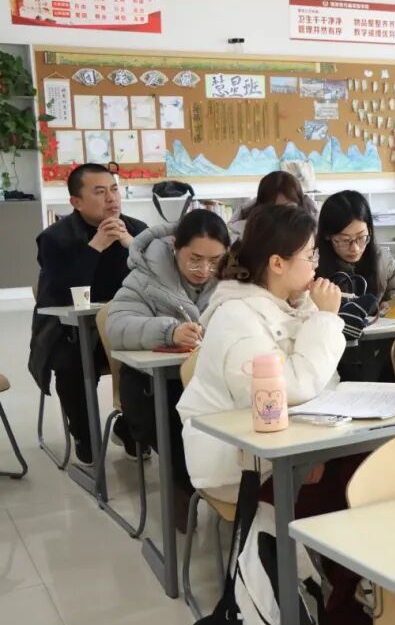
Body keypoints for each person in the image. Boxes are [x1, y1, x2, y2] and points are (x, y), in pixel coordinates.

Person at [177, 204, 344, 501]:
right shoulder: (236, 318)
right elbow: (290, 391)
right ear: (277, 263)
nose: (316, 265)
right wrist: (327, 320)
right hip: (241, 464)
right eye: (310, 256)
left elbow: (322, 385)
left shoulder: (295, 304)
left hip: (290, 442)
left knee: (373, 461)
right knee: (361, 478)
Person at [106, 209, 230, 531]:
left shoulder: (233, 278)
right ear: (175, 246)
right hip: (153, 385)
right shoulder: (147, 275)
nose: (204, 270)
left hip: (211, 382)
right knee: (178, 427)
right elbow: (116, 326)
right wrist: (168, 332)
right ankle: (183, 493)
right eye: (195, 259)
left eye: (215, 260)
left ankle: (237, 497)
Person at [29, 163, 148, 465]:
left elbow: (159, 282)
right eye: (99, 192)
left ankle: (131, 428)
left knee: (152, 363)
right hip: (70, 331)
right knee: (72, 365)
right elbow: (57, 294)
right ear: (76, 202)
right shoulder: (54, 238)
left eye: (114, 190)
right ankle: (84, 434)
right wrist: (95, 247)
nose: (111, 198)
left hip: (126, 328)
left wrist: (132, 247)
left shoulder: (138, 231)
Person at [316, 190, 395, 380]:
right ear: (328, 236)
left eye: (361, 237)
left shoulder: (382, 261)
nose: (355, 248)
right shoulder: (313, 266)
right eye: (344, 240)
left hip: (377, 348)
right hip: (331, 356)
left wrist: (390, 305)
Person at [228, 170, 318, 239]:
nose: (282, 215)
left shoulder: (313, 234)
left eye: (289, 208)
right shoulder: (243, 237)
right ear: (260, 209)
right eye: (275, 209)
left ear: (300, 207)